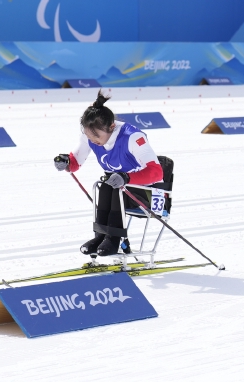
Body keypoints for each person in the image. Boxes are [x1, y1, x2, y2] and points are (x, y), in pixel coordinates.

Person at [53, 91, 164, 257]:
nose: (93, 140)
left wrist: (127, 178)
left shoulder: (133, 137)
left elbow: (157, 172)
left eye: (96, 136)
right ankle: (100, 236)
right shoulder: (90, 135)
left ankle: (113, 238)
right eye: (90, 136)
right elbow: (75, 161)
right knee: (104, 186)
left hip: (148, 192)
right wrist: (65, 161)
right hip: (119, 187)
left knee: (114, 188)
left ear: (112, 127)